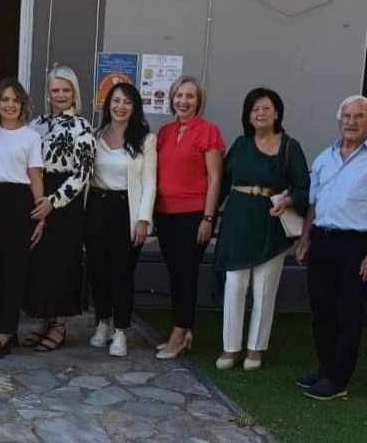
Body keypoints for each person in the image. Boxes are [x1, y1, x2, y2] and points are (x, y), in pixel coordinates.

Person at [296, 95, 367, 401]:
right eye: (346, 116)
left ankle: (338, 379)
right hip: (322, 240)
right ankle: (325, 368)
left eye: (358, 116)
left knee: (348, 313)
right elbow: (314, 204)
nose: (351, 122)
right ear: (339, 120)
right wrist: (305, 239)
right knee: (321, 310)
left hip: (357, 245)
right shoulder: (324, 158)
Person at [213, 87, 309, 371]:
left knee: (264, 290)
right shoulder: (241, 144)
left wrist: (289, 200)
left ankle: (255, 349)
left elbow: (305, 188)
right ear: (248, 116)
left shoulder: (290, 147)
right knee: (234, 285)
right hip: (237, 223)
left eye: (266, 108)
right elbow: (222, 183)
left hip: (271, 224)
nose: (260, 113)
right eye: (255, 109)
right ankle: (230, 348)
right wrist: (207, 217)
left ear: (277, 113)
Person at [153, 75, 225, 359]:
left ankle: (179, 333)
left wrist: (208, 218)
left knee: (185, 274)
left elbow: (215, 178)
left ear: (199, 101)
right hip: (165, 214)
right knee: (175, 274)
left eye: (190, 96)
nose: (183, 101)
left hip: (194, 215)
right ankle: (185, 329)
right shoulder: (165, 132)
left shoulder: (208, 131)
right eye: (179, 95)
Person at [25, 65, 95, 352]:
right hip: (38, 192)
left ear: (74, 93)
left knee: (61, 263)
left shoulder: (82, 127)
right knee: (40, 262)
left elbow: (83, 173)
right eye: (56, 90)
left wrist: (53, 201)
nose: (61, 95)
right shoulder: (36, 125)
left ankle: (59, 325)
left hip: (65, 202)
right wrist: (37, 199)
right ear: (48, 93)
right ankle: (44, 317)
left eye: (66, 90)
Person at [86, 82, 156, 358]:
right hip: (96, 208)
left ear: (134, 107)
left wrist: (143, 220)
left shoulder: (146, 140)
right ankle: (103, 322)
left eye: (127, 102)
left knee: (122, 274)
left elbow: (150, 183)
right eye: (116, 101)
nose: (120, 106)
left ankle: (121, 331)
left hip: (126, 210)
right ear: (108, 105)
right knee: (98, 271)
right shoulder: (95, 135)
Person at [0, 78, 45, 360]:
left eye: (15, 100)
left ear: (22, 105)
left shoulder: (31, 137)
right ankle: (10, 327)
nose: (9, 105)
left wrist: (41, 216)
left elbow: (35, 176)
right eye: (4, 99)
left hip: (20, 204)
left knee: (15, 270)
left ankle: (5, 334)